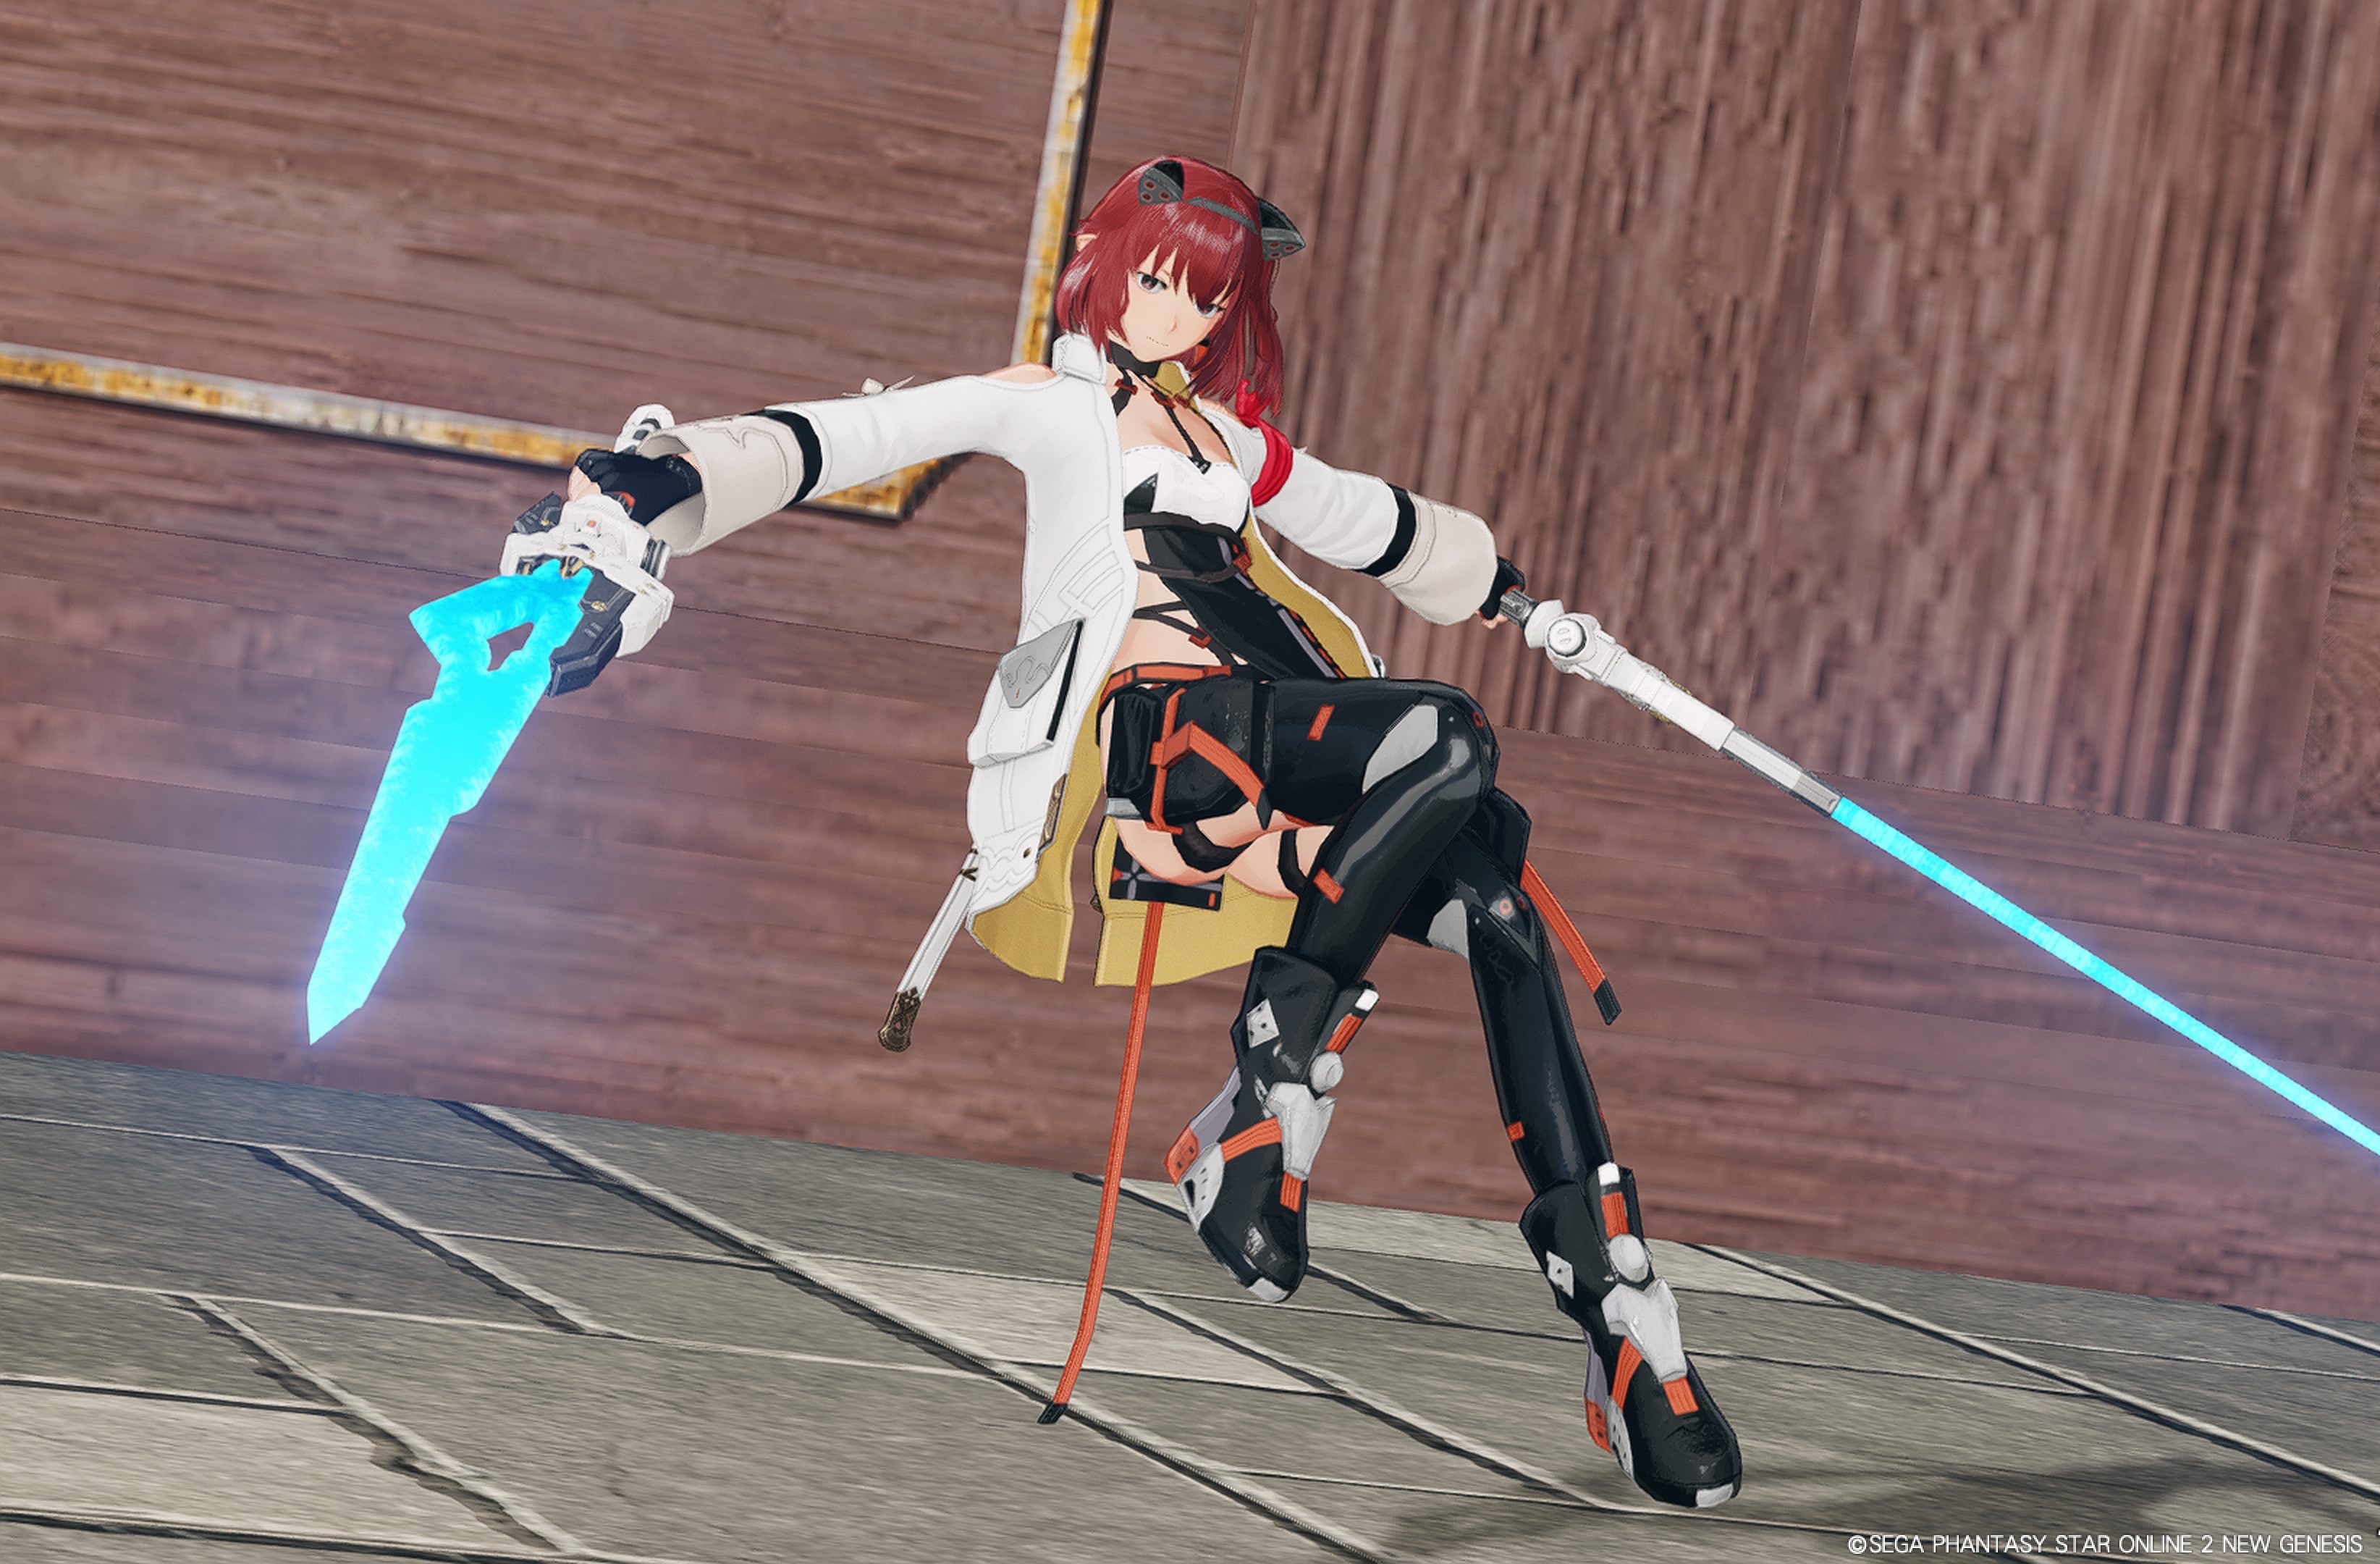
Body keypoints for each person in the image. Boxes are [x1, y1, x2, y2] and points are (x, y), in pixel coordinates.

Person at [540, 155, 1740, 1509]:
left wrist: (1514, 596)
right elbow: (830, 441)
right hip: (1168, 747)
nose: (1180, 314)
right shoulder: (1050, 405)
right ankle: (1271, 1086)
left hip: (1292, 753)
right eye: (1161, 279)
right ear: (1107, 267)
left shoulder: (1228, 445)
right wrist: (633, 497)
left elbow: (1374, 522)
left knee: (1503, 918)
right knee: (1448, 737)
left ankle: (1620, 1319)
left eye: (1210, 296)